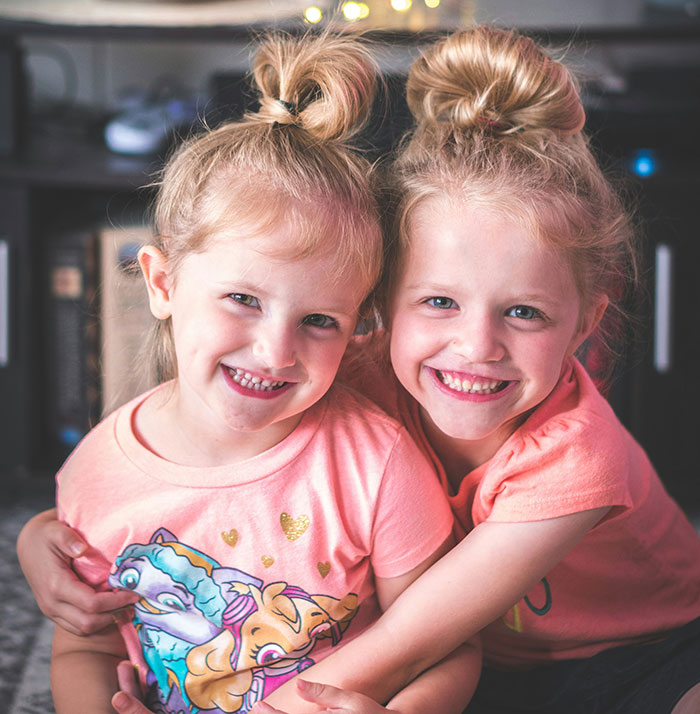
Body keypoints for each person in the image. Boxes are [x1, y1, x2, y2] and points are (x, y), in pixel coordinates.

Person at [18, 25, 700, 714]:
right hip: (482, 663)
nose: (476, 347)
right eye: (438, 302)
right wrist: (43, 533)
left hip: (642, 652)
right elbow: (171, 483)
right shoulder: (338, 367)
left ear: (585, 323)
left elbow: (409, 638)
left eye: (524, 313)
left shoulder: (581, 461)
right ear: (380, 306)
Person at [33, 30, 480, 714]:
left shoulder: (379, 465)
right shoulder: (96, 474)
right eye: (244, 300)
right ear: (161, 283)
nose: (276, 353)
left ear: (358, 324)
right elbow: (85, 648)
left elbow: (444, 647)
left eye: (319, 321)